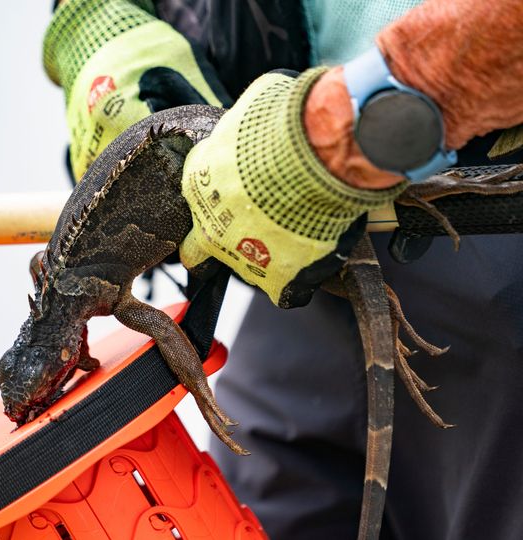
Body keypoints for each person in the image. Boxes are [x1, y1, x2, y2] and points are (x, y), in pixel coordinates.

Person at [43, 1, 523, 538]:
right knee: (239, 515)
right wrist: (96, 18)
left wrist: (363, 114)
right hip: (279, 224)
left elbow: (161, 328)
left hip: (478, 206)